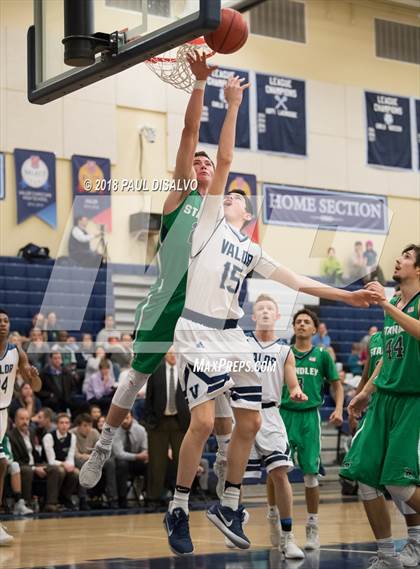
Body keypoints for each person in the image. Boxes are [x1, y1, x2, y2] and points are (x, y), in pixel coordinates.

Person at [164, 75, 375, 555]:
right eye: (228, 194)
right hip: (197, 331)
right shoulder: (208, 223)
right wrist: (232, 104)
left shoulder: (252, 249)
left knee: (253, 423)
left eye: (238, 197)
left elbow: (301, 282)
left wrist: (350, 296)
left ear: (249, 214)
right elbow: (225, 159)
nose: (231, 196)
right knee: (199, 425)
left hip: (233, 337)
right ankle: (178, 506)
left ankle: (229, 500)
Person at [79, 51, 217, 490]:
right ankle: (103, 445)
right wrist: (199, 84)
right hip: (166, 301)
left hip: (203, 310)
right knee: (137, 375)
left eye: (207, 162)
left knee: (225, 386)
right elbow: (190, 130)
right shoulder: (181, 197)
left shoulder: (222, 214)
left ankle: (227, 478)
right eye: (196, 161)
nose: (201, 164)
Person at [340, 244, 420, 569]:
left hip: (412, 402)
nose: (398, 260)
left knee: (399, 482)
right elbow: (386, 357)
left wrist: (386, 305)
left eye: (406, 257)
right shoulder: (396, 304)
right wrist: (364, 393)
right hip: (383, 399)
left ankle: (414, 543)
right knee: (364, 478)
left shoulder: (403, 306)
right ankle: (388, 554)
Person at [245, 295, 307, 559]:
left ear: (278, 316)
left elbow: (292, 380)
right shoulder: (243, 343)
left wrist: (295, 390)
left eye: (271, 308)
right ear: (253, 316)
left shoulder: (284, 350)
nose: (266, 311)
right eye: (261, 308)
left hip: (271, 413)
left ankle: (288, 536)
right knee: (233, 474)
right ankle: (233, 522)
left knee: (280, 472)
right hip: (244, 411)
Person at [280, 309, 343, 550]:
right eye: (298, 321)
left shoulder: (323, 355)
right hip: (284, 414)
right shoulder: (283, 353)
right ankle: (277, 520)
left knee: (310, 474)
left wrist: (338, 409)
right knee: (277, 471)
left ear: (315, 330)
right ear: (293, 327)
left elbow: (336, 386)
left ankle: (312, 526)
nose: (302, 324)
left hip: (309, 417)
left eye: (307, 322)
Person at [0, 308, 41, 545]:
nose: (3, 324)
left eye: (6, 320)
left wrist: (33, 375)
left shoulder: (17, 352)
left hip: (2, 413)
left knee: (2, 463)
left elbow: (35, 386)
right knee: (2, 462)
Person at [143, 348, 190, 506]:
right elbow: (148, 397)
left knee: (182, 461)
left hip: (180, 421)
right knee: (157, 462)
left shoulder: (185, 370)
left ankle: (181, 498)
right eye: (170, 353)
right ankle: (153, 497)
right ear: (165, 354)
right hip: (159, 422)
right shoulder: (156, 370)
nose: (173, 355)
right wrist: (149, 421)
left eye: (175, 353)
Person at [9, 408, 63, 513]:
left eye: (27, 419)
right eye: (22, 419)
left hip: (34, 463)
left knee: (55, 469)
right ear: (15, 420)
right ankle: (26, 503)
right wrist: (34, 468)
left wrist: (40, 466)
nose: (25, 422)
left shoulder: (32, 432)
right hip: (21, 466)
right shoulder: (11, 436)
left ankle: (50, 503)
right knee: (27, 471)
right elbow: (15, 460)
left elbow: (35, 454)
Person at [71, 414, 118, 510]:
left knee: (110, 463)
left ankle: (112, 497)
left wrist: (89, 456)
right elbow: (75, 455)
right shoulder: (72, 434)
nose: (88, 428)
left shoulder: (94, 432)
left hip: (92, 458)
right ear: (78, 426)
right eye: (85, 425)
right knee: (83, 465)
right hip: (78, 460)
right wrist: (91, 456)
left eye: (90, 425)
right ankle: (83, 499)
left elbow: (101, 450)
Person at [42, 413, 79, 510]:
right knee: (60, 471)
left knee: (76, 473)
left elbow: (70, 457)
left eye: (67, 423)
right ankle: (52, 502)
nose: (64, 425)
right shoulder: (49, 437)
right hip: (46, 464)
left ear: (70, 424)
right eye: (61, 423)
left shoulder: (72, 437)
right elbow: (51, 460)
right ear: (57, 424)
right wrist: (64, 464)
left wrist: (70, 466)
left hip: (63, 464)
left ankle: (65, 499)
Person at [112, 412, 148, 509]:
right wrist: (137, 456)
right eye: (122, 418)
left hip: (137, 461)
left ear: (131, 417)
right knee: (121, 465)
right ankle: (122, 499)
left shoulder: (140, 429)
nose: (124, 421)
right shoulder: (114, 431)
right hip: (121, 461)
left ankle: (149, 496)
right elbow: (119, 454)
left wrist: (144, 455)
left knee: (150, 465)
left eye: (127, 417)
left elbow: (145, 448)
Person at [0, 434, 33, 515]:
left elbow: (9, 455)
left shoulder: (4, 437)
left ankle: (18, 502)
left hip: (4, 463)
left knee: (14, 465)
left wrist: (5, 461)